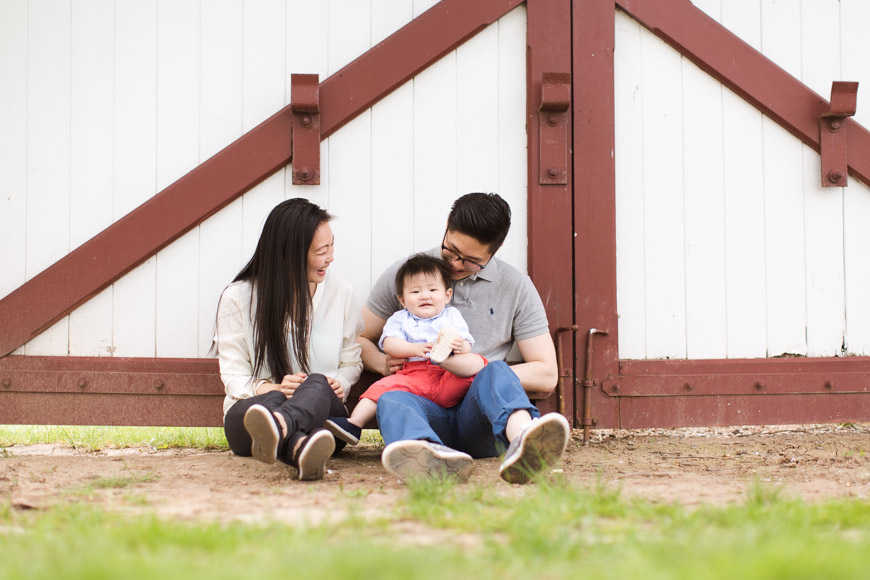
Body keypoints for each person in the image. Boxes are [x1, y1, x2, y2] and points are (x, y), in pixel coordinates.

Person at [359, 192, 571, 485]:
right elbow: (358, 337)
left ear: (495, 251)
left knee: (495, 370)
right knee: (391, 399)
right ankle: (425, 455)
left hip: (481, 417)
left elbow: (546, 373)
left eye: (472, 261)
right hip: (424, 405)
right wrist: (382, 363)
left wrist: (479, 372)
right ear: (447, 225)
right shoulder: (408, 274)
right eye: (451, 251)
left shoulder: (516, 286)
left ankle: (524, 441)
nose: (456, 264)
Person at [214, 198, 363, 481]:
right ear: (289, 255)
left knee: (315, 382)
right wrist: (273, 388)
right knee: (269, 400)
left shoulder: (341, 292)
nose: (330, 257)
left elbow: (351, 360)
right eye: (322, 251)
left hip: (323, 416)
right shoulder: (239, 298)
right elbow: (234, 376)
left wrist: (339, 383)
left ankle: (281, 425)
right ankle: (297, 449)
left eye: (331, 246)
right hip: (251, 418)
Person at [325, 254, 486, 446]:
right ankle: (353, 424)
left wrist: (461, 347)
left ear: (447, 295)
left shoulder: (452, 316)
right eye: (416, 292)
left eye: (432, 289)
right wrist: (414, 348)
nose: (425, 296)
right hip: (412, 376)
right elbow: (390, 344)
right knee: (380, 389)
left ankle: (483, 418)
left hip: (445, 374)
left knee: (475, 369)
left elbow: (466, 342)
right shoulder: (401, 319)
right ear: (402, 299)